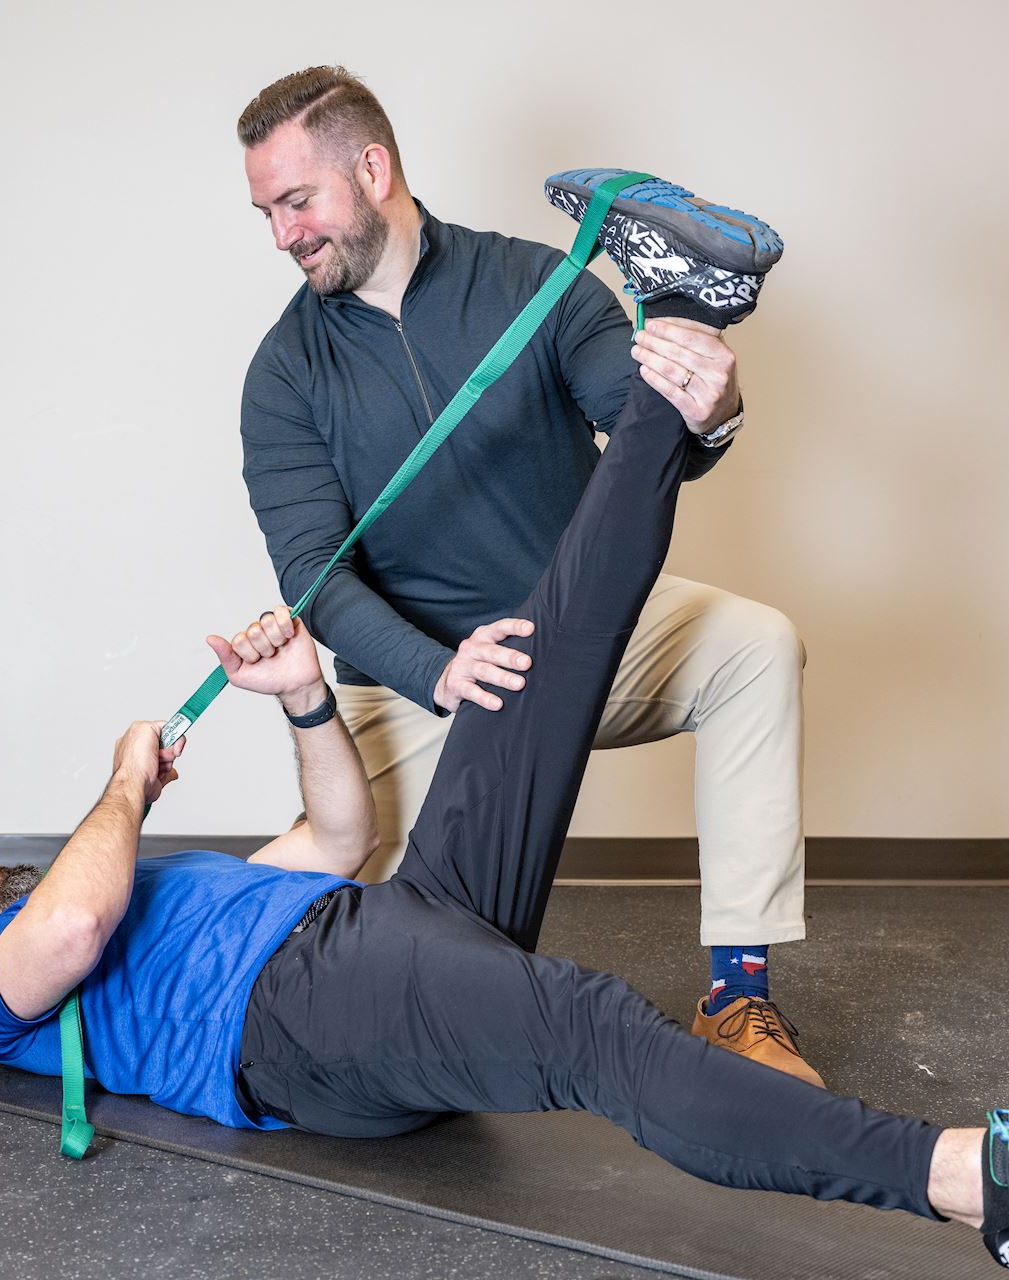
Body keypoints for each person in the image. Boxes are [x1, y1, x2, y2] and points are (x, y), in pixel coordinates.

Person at [0, 182, 1009, 1280]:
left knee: (537, 660)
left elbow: (336, 838)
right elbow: (68, 926)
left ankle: (679, 316)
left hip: (374, 922)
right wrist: (124, 784)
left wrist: (303, 697)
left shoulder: (152, 896)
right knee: (592, 1027)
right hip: (305, 1019)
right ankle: (998, 1187)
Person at [235, 66, 817, 1082]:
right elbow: (314, 578)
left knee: (755, 645)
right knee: (342, 966)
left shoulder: (535, 283)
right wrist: (436, 671)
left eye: (297, 202)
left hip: (580, 629)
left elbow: (645, 428)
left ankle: (739, 999)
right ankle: (693, 297)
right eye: (268, 214)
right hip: (420, 688)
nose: (283, 235)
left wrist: (710, 404)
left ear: (371, 170)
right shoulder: (284, 373)